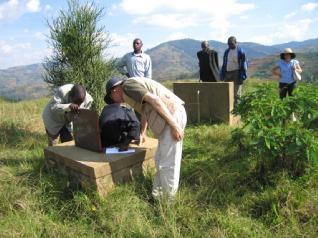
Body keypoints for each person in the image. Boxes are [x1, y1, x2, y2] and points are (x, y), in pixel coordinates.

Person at [104, 76, 187, 199]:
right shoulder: (130, 92)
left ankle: (168, 202)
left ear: (115, 90)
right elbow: (145, 110)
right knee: (159, 160)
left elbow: (155, 100)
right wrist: (143, 133)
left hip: (171, 116)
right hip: (169, 118)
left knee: (168, 164)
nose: (115, 102)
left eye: (111, 98)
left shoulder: (127, 86)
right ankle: (157, 197)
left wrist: (174, 125)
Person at [220, 36, 248, 106]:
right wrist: (222, 74)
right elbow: (224, 63)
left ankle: (237, 109)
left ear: (236, 42)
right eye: (228, 44)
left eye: (231, 44)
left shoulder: (240, 51)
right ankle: (228, 108)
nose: (229, 45)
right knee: (227, 91)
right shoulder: (227, 51)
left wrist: (242, 75)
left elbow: (244, 64)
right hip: (227, 73)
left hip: (236, 73)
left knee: (236, 92)